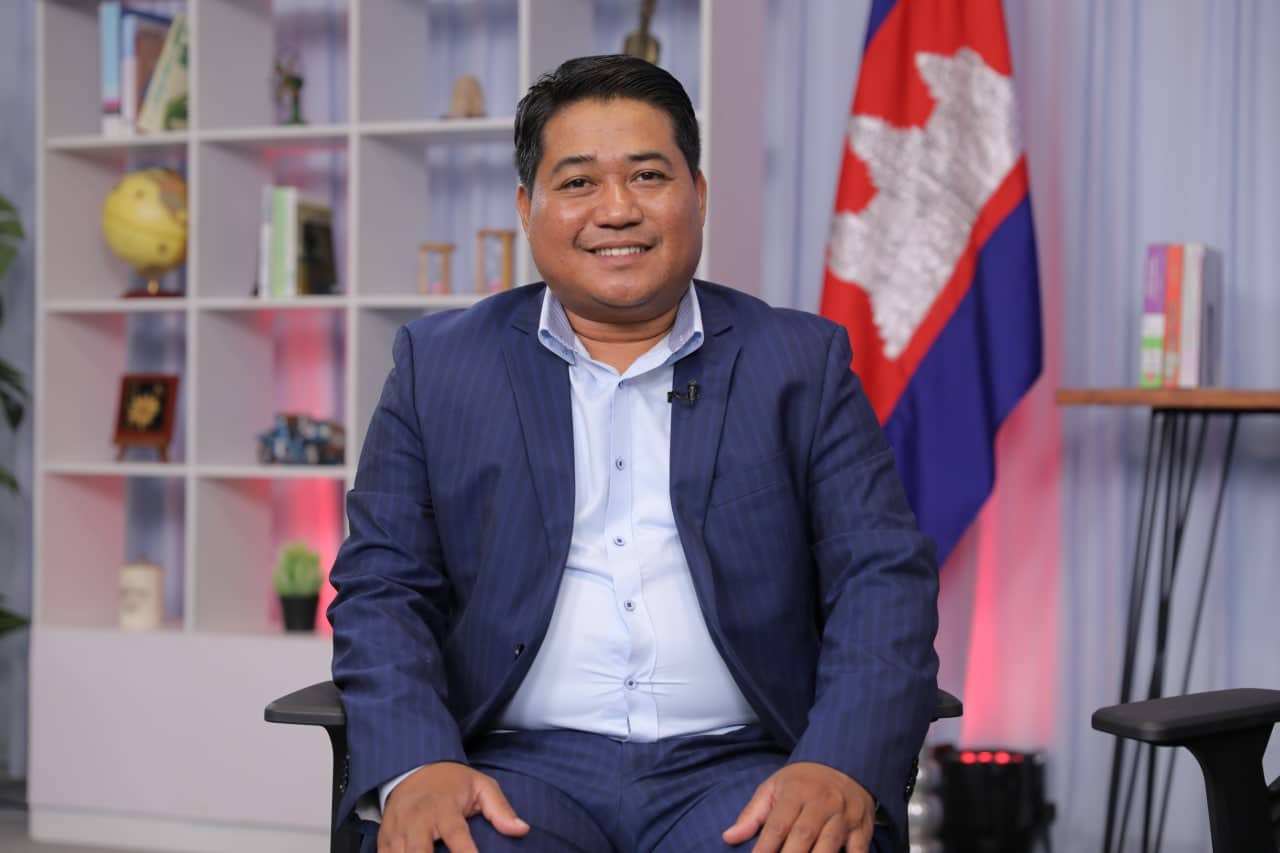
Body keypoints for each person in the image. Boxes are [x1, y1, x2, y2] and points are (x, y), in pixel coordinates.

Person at [328, 54, 939, 853]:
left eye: (648, 175)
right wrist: (418, 763)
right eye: (578, 181)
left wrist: (839, 761)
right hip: (507, 764)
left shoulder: (799, 363)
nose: (616, 210)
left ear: (699, 194)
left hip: (747, 764)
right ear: (527, 207)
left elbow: (882, 577)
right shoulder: (439, 366)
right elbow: (381, 587)